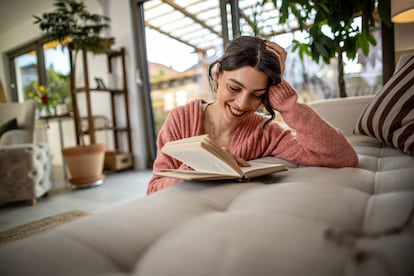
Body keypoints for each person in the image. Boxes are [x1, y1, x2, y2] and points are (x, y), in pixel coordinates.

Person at [147, 36, 358, 195]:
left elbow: (343, 157)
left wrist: (287, 104)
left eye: (257, 95)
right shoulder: (181, 120)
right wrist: (200, 164)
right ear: (218, 74)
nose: (242, 104)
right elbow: (154, 189)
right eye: (234, 88)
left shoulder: (264, 132)